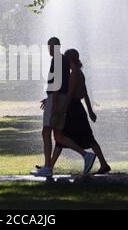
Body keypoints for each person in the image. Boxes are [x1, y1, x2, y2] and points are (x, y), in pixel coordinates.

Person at [32, 38, 96, 177]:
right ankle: (83, 156)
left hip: (57, 100)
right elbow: (61, 83)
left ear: (55, 47)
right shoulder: (62, 60)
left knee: (47, 132)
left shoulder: (57, 60)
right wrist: (49, 98)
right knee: (58, 136)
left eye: (50, 46)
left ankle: (49, 167)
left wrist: (53, 103)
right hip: (56, 98)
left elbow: (56, 83)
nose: (49, 49)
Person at [51, 49, 111, 175]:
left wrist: (62, 110)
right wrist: (90, 111)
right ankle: (50, 166)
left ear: (68, 59)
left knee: (67, 137)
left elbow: (71, 94)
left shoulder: (74, 74)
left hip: (73, 108)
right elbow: (85, 94)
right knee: (63, 138)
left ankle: (100, 162)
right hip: (77, 108)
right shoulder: (79, 72)